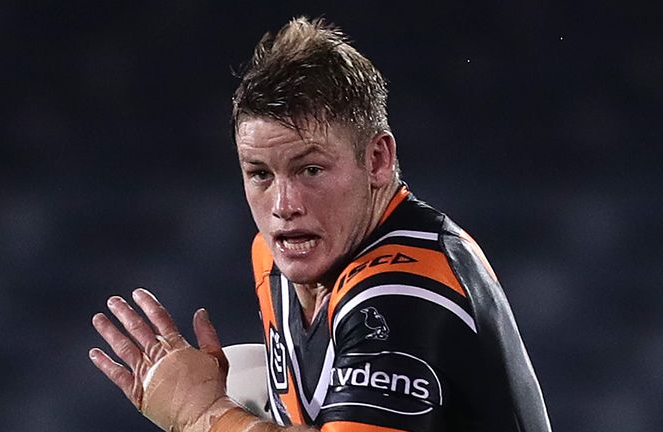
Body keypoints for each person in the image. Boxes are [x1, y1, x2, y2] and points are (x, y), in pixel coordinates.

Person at [89, 17, 552, 432]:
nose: (283, 205)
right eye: (260, 174)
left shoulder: (405, 288)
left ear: (376, 160)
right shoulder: (273, 259)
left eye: (310, 170)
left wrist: (203, 416)